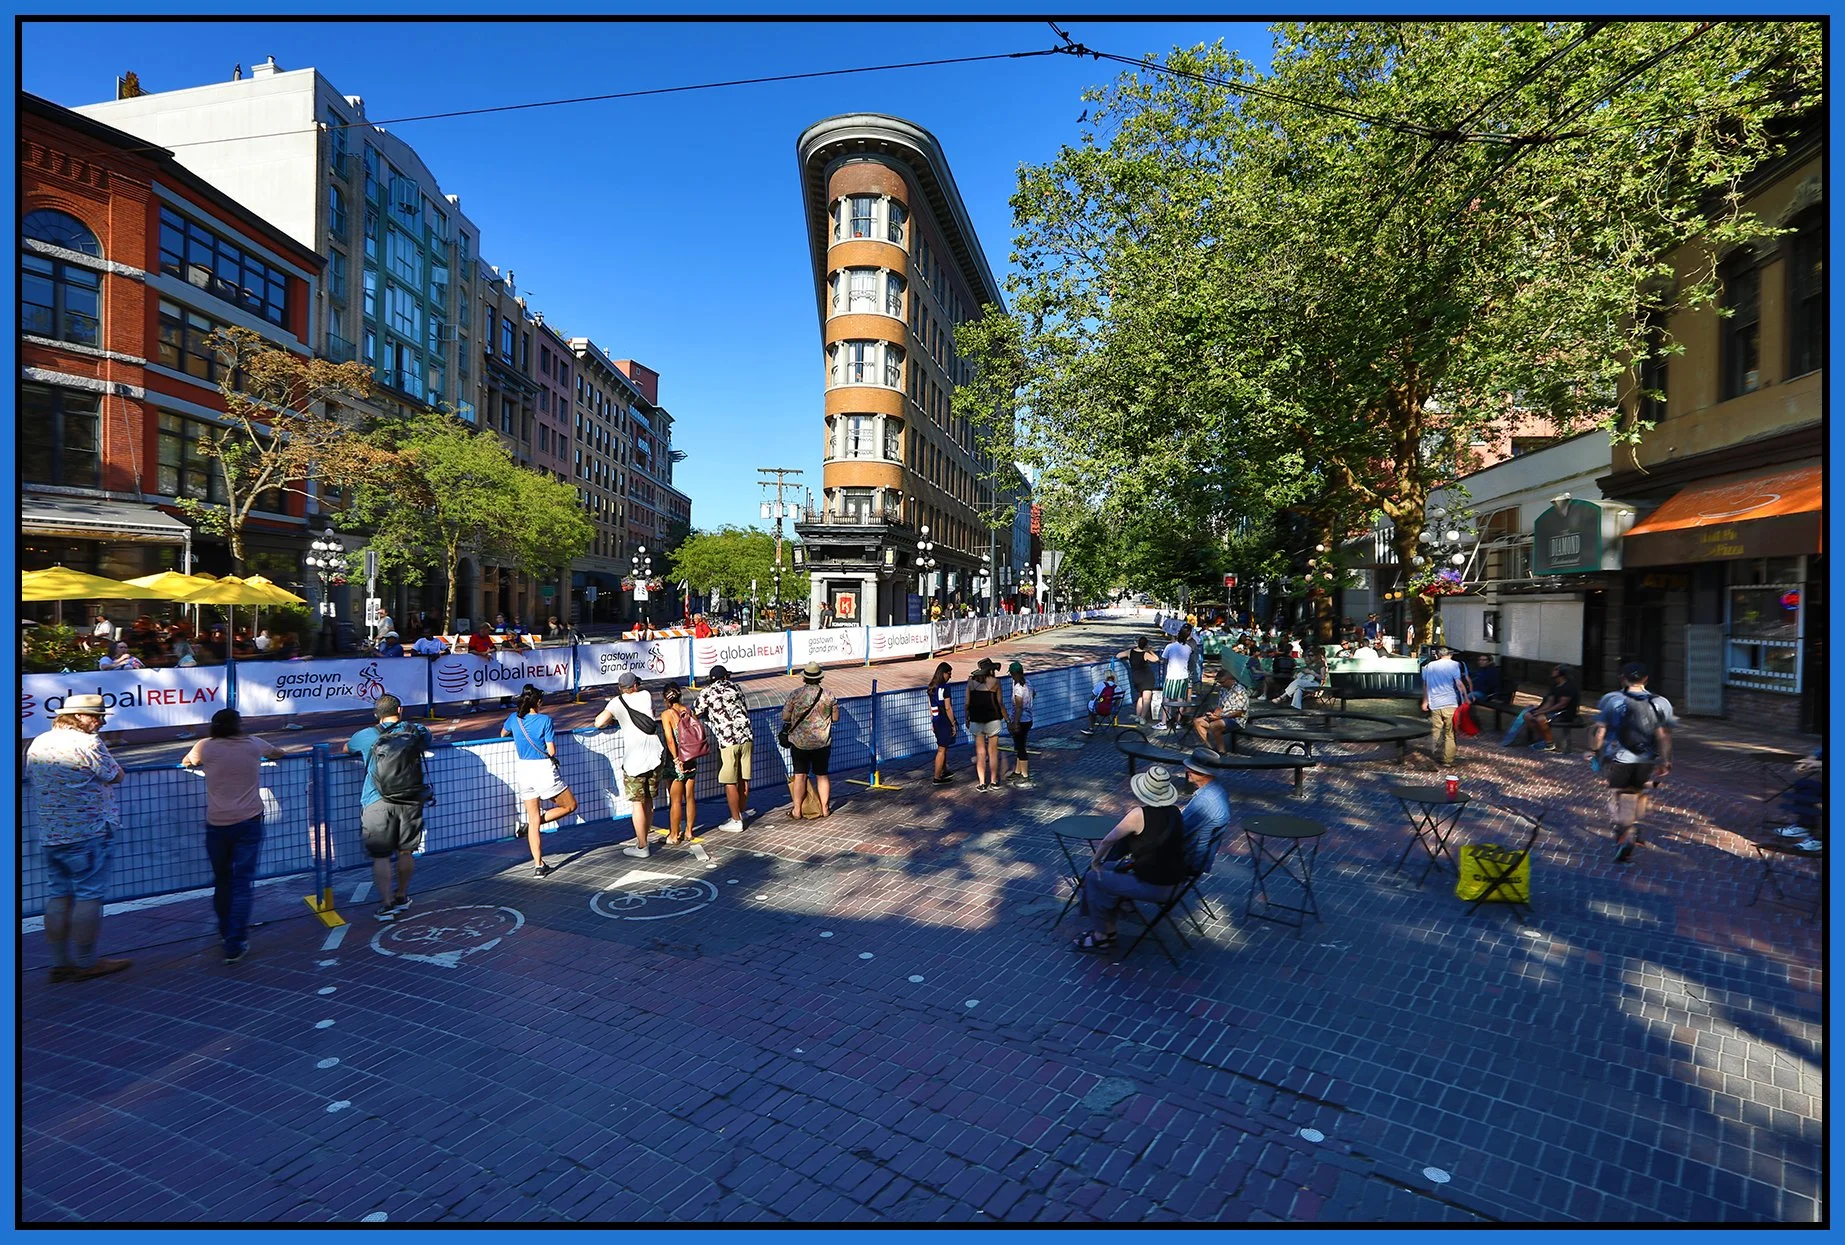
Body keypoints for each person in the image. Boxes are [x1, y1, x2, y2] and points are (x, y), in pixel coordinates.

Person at [25, 694, 132, 982]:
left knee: (59, 895)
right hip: (89, 830)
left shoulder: (39, 742)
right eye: (95, 716)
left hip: (52, 833)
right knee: (88, 896)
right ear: (77, 717)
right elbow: (115, 775)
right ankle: (86, 963)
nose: (101, 721)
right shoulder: (88, 743)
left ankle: (60, 963)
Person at [180, 709, 287, 962]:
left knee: (223, 879)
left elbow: (187, 762)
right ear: (239, 725)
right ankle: (235, 941)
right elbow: (278, 753)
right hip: (249, 821)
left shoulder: (205, 746)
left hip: (217, 822)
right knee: (242, 883)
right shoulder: (253, 744)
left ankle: (225, 930)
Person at [1065, 764, 1196, 953]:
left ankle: (1102, 936)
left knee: (1093, 877)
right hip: (1175, 882)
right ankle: (1108, 926)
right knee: (1109, 869)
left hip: (1155, 887)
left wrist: (1095, 862)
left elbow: (1108, 840)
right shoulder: (1175, 812)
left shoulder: (1139, 814)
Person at [347, 695, 432, 921]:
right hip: (410, 798)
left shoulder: (366, 736)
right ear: (400, 710)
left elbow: (346, 748)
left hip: (376, 800)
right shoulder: (415, 730)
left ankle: (386, 903)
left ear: (376, 714)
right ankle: (402, 895)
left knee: (381, 856)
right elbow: (428, 739)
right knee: (406, 851)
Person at [1588, 662, 1676, 864]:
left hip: (1618, 757)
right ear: (1646, 679)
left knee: (1617, 795)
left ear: (1622, 678)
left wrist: (1594, 750)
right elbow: (1664, 736)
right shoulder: (1661, 702)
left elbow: (1599, 730)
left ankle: (1626, 833)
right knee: (1635, 792)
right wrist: (1666, 760)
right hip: (1646, 759)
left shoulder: (1611, 699)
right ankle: (1631, 827)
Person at [500, 685, 574, 877]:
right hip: (543, 769)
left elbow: (503, 733)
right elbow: (551, 751)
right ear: (539, 702)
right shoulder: (545, 720)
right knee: (570, 806)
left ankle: (538, 865)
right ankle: (538, 822)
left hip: (524, 769)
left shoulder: (514, 719)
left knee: (533, 819)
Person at [594, 672, 665, 858]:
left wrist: (616, 716)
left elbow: (599, 722)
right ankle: (645, 836)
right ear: (635, 685)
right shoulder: (646, 695)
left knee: (637, 804)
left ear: (621, 688)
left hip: (635, 761)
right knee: (649, 801)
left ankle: (642, 846)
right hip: (655, 754)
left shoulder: (616, 703)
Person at [696, 665, 754, 832]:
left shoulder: (707, 692)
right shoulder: (736, 687)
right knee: (744, 777)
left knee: (729, 780)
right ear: (726, 676)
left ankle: (736, 820)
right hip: (746, 736)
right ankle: (741, 812)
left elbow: (696, 711)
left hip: (728, 740)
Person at [780, 661, 839, 819]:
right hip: (822, 742)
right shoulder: (829, 695)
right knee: (822, 775)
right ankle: (825, 809)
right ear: (820, 678)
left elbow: (785, 716)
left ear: (804, 677)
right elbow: (836, 717)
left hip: (800, 742)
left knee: (800, 775)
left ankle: (797, 810)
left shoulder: (795, 694)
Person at [658, 683, 704, 851]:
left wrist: (676, 759)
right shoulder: (688, 710)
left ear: (665, 698)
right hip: (691, 756)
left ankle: (674, 835)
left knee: (675, 800)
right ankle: (689, 832)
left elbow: (670, 739)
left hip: (676, 759)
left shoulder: (667, 714)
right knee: (690, 797)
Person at [1420, 646, 1472, 767]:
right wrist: (1466, 697)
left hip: (1435, 702)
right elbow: (1459, 683)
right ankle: (1447, 759)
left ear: (1437, 655)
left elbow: (1426, 685)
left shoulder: (1429, 666)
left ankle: (1435, 754)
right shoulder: (1454, 665)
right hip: (1450, 702)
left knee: (1436, 730)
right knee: (1450, 731)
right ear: (1450, 655)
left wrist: (1425, 701)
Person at [1510, 665, 1581, 751]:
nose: (1553, 671)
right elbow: (1550, 701)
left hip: (1565, 713)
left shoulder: (1569, 687)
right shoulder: (1555, 685)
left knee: (1540, 718)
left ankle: (1549, 744)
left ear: (1561, 673)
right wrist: (1539, 710)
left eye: (1556, 670)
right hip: (1553, 710)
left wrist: (1544, 712)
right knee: (1528, 716)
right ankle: (1545, 739)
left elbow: (1562, 705)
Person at [964, 658, 1006, 791]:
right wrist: (1007, 719)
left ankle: (982, 783)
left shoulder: (971, 682)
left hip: (976, 719)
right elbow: (1000, 703)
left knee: (980, 753)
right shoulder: (996, 682)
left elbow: (966, 703)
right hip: (993, 719)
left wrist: (967, 718)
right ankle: (994, 781)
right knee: (993, 752)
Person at [1193, 667, 1250, 752]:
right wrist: (1215, 714)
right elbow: (1220, 707)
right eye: (1219, 682)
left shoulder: (1240, 690)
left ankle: (1221, 750)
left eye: (1222, 682)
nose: (1221, 684)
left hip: (1236, 720)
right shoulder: (1223, 689)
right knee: (1197, 721)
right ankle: (1209, 748)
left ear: (1230, 680)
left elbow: (1240, 712)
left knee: (1214, 725)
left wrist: (1221, 717)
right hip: (1222, 717)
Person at [1004, 660, 1035, 789]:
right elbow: (1034, 693)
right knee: (1019, 745)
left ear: (1014, 674)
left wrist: (1015, 722)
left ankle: (1025, 774)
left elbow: (1018, 706)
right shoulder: (1028, 683)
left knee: (1020, 747)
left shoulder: (1018, 687)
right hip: (1028, 718)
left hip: (1021, 720)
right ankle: (1017, 771)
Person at [927, 662, 958, 785]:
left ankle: (944, 770)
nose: (950, 676)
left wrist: (933, 721)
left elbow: (931, 707)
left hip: (936, 720)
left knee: (944, 747)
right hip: (944, 720)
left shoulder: (931, 687)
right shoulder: (945, 688)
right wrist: (953, 723)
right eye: (949, 674)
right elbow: (948, 707)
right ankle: (937, 777)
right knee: (941, 749)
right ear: (943, 673)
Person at [1160, 624, 1194, 732]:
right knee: (1180, 700)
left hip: (1171, 676)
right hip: (1183, 676)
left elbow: (1163, 659)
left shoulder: (1170, 647)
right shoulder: (1188, 648)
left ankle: (1163, 722)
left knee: (1166, 699)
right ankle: (1178, 722)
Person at [1119, 638, 1160, 723]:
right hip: (1147, 677)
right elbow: (1156, 659)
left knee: (1140, 697)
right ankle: (1142, 717)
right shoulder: (1145, 654)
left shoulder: (1130, 652)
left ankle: (1137, 716)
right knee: (1147, 699)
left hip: (1136, 677)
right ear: (1146, 645)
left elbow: (1118, 655)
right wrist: (1150, 651)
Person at [1082, 671, 1122, 736]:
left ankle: (1091, 728)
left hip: (1099, 709)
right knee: (1109, 704)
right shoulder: (1118, 688)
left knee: (1090, 705)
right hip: (1110, 710)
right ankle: (1112, 722)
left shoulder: (1101, 684)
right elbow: (1118, 703)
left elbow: (1092, 696)